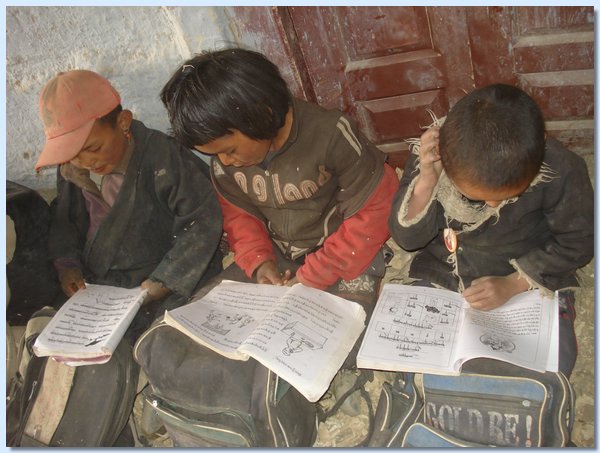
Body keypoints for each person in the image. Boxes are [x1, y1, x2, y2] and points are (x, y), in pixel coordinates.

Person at [160, 48, 400, 323]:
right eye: (214, 155)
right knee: (184, 336)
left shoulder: (331, 135)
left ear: (263, 113)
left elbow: (375, 211)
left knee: (328, 335)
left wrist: (315, 273)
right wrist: (259, 261)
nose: (224, 161)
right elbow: (240, 217)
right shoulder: (225, 165)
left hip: (342, 256)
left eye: (229, 150)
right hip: (280, 259)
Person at [388, 83, 594, 377]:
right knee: (409, 354)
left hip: (518, 269)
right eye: (476, 195)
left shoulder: (560, 168)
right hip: (445, 270)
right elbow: (407, 239)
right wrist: (426, 183)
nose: (493, 204)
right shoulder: (434, 156)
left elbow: (580, 241)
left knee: (550, 366)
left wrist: (515, 283)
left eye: (509, 195)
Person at [34, 69, 224, 342]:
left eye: (94, 148)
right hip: (100, 287)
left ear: (123, 123)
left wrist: (160, 283)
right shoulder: (72, 171)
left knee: (164, 341)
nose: (85, 161)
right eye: (72, 155)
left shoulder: (163, 158)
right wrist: (68, 266)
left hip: (162, 279)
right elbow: (65, 222)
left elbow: (202, 221)